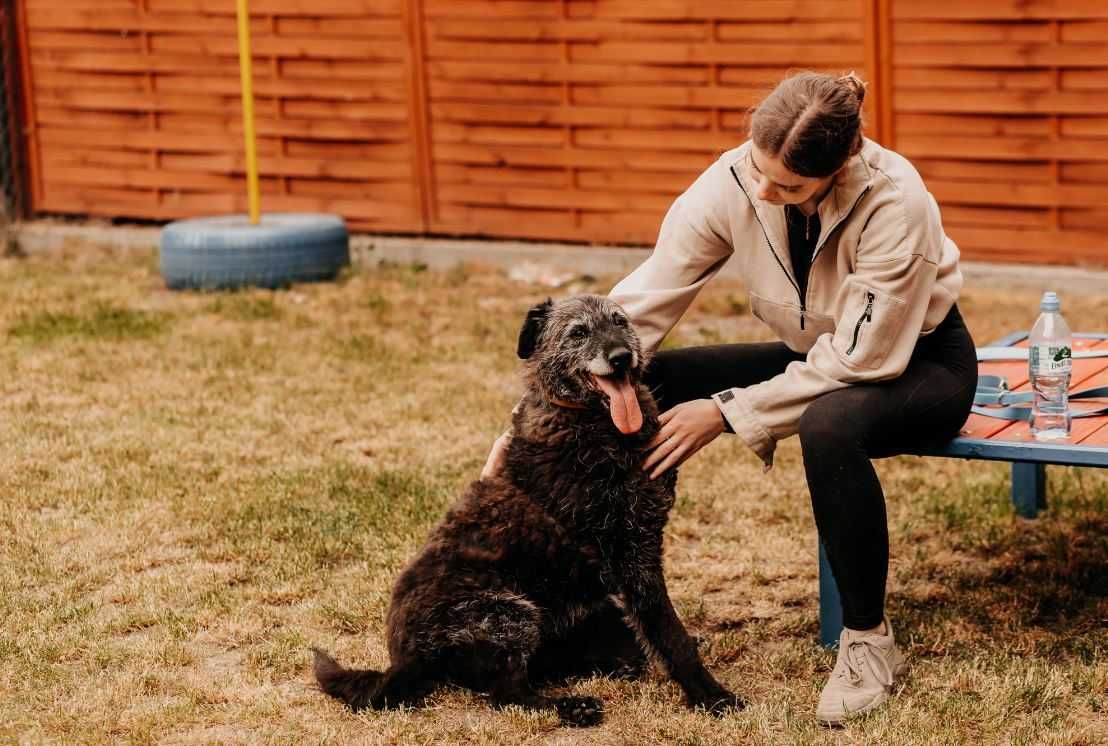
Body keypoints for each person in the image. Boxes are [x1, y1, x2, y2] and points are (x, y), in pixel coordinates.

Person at [482, 71, 977, 724]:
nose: (764, 190)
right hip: (817, 354)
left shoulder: (897, 202)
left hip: (917, 366)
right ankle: (589, 593)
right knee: (640, 382)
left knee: (829, 424)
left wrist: (724, 412)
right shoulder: (736, 177)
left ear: (843, 164)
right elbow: (646, 300)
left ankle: (868, 644)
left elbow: (863, 359)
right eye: (758, 167)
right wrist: (534, 422)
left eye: (788, 186)